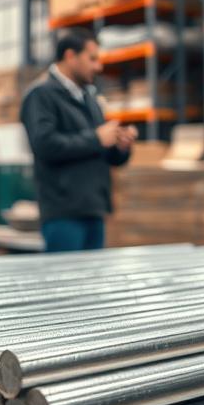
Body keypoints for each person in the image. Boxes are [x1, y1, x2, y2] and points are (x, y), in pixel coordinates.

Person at [21, 28, 137, 252]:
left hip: (93, 209)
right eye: (92, 59)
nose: (98, 67)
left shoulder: (88, 99)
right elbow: (45, 145)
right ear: (70, 56)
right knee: (65, 283)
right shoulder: (41, 95)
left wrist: (120, 148)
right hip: (64, 213)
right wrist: (96, 138)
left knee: (93, 283)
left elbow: (102, 152)